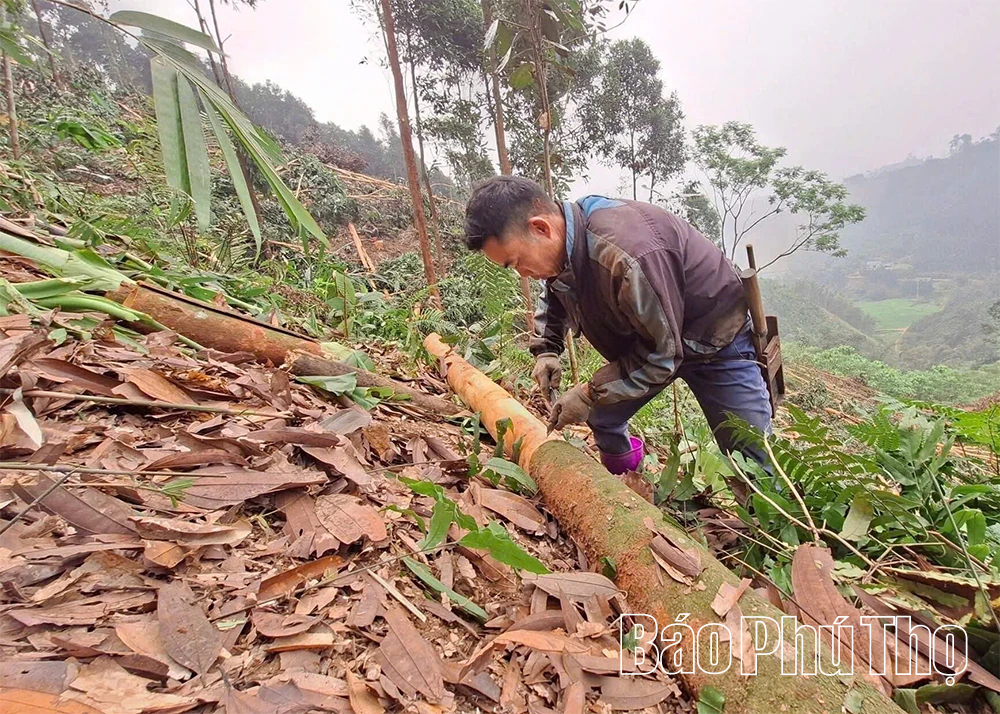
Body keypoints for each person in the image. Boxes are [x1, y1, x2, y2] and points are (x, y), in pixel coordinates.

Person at [463, 175, 772, 496]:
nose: (522, 274)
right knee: (603, 418)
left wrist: (587, 393)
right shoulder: (564, 246)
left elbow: (664, 356)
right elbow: (555, 289)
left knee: (752, 455)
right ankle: (628, 494)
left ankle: (775, 535)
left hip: (716, 342)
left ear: (541, 228)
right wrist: (547, 350)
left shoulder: (627, 254)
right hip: (650, 344)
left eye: (517, 262)